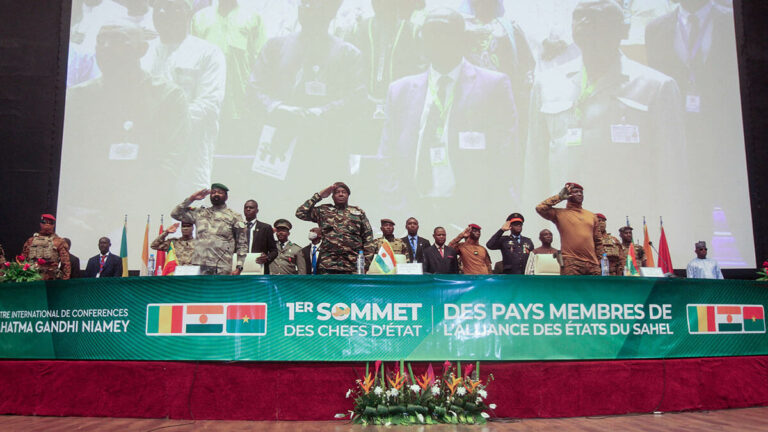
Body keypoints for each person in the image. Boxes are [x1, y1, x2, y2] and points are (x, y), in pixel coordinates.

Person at [525, 0, 687, 228]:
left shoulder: (656, 86)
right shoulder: (547, 84)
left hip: (626, 220)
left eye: (599, 18)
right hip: (565, 225)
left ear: (623, 30)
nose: (586, 23)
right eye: (580, 16)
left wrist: (673, 234)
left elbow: (671, 171)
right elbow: (536, 163)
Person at [377, 8, 518, 225]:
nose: (437, 39)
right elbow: (387, 156)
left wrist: (485, 209)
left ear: (462, 39)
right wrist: (397, 207)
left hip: (471, 213)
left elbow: (505, 153)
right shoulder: (400, 91)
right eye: (431, 32)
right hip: (413, 211)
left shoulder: (493, 85)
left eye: (445, 32)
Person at [59, 20, 191, 245]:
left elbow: (171, 162)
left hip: (143, 214)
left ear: (142, 49)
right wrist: (70, 211)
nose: (107, 48)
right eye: (102, 41)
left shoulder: (168, 97)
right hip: (87, 215)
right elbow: (69, 162)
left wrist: (121, 211)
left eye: (119, 41)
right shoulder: (78, 97)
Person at [646, 0, 748, 261]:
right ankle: (697, 273)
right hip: (681, 142)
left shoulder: (730, 20)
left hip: (728, 138)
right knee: (693, 217)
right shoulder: (656, 27)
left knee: (741, 214)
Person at [249, 0, 365, 185]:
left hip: (326, 144)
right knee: (275, 204)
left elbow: (356, 98)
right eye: (305, 4)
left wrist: (322, 112)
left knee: (324, 207)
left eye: (316, 5)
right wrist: (278, 108)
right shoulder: (274, 47)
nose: (308, 8)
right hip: (279, 143)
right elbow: (255, 89)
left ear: (330, 12)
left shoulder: (348, 54)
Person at [142, 0, 226, 190]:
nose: (163, 12)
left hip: (191, 152)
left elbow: (209, 104)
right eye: (158, 7)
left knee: (189, 211)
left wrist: (168, 124)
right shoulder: (143, 52)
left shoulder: (208, 53)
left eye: (172, 7)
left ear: (187, 13)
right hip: (148, 150)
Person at [192, 0, 265, 152]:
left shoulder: (253, 17)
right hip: (207, 103)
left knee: (238, 154)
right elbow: (193, 63)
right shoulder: (200, 18)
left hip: (241, 103)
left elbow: (261, 61)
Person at [462, 0, 535, 143]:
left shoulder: (509, 28)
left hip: (505, 99)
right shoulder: (462, 27)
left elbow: (526, 64)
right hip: (470, 101)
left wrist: (524, 95)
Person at [295, 182, 375, 274]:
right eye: (337, 192)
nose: (340, 194)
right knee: (327, 289)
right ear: (332, 196)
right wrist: (319, 195)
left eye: (344, 192)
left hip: (352, 267)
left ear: (348, 195)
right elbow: (300, 213)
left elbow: (368, 240)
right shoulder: (323, 211)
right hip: (328, 266)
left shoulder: (358, 213)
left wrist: (365, 265)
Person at [171, 183, 247, 275]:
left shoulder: (234, 216)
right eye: (213, 192)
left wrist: (239, 267)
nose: (216, 194)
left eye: (220, 192)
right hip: (199, 265)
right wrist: (192, 198)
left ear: (226, 197)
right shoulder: (200, 213)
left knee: (220, 290)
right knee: (199, 290)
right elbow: (175, 213)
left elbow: (242, 244)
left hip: (221, 266)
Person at [536, 183, 603, 275]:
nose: (579, 194)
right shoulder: (559, 214)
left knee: (596, 289)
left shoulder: (592, 216)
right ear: (568, 195)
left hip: (592, 264)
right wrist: (559, 197)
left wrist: (601, 262)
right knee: (570, 289)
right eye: (576, 192)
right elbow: (540, 208)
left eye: (581, 192)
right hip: (571, 262)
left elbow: (598, 241)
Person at [22, 214, 71, 280]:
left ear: (53, 225)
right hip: (32, 278)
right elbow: (23, 260)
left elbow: (66, 263)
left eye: (50, 223)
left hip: (51, 279)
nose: (47, 225)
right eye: (44, 222)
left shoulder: (59, 242)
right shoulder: (31, 241)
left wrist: (65, 282)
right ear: (40, 224)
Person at [243, 200, 278, 274]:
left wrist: (267, 258)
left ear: (257, 210)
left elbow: (274, 251)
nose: (248, 209)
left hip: (259, 268)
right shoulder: (238, 227)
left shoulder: (265, 228)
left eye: (251, 207)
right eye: (246, 207)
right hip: (240, 268)